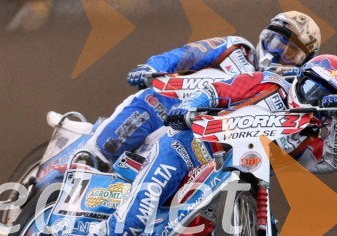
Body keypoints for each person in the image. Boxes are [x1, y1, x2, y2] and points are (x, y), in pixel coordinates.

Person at [44, 55, 337, 236]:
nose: (314, 97)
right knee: (135, 218)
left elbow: (332, 161)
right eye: (311, 86)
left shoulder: (313, 133)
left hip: (231, 180)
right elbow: (221, 89)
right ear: (300, 78)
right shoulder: (270, 84)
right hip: (184, 148)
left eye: (326, 96)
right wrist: (189, 107)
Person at [95, 11, 321, 163]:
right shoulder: (234, 48)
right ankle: (88, 161)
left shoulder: (289, 93)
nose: (277, 53)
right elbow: (186, 55)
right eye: (275, 43)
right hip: (167, 111)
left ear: (303, 61)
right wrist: (149, 67)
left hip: (214, 146)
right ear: (264, 37)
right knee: (109, 146)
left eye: (290, 52)